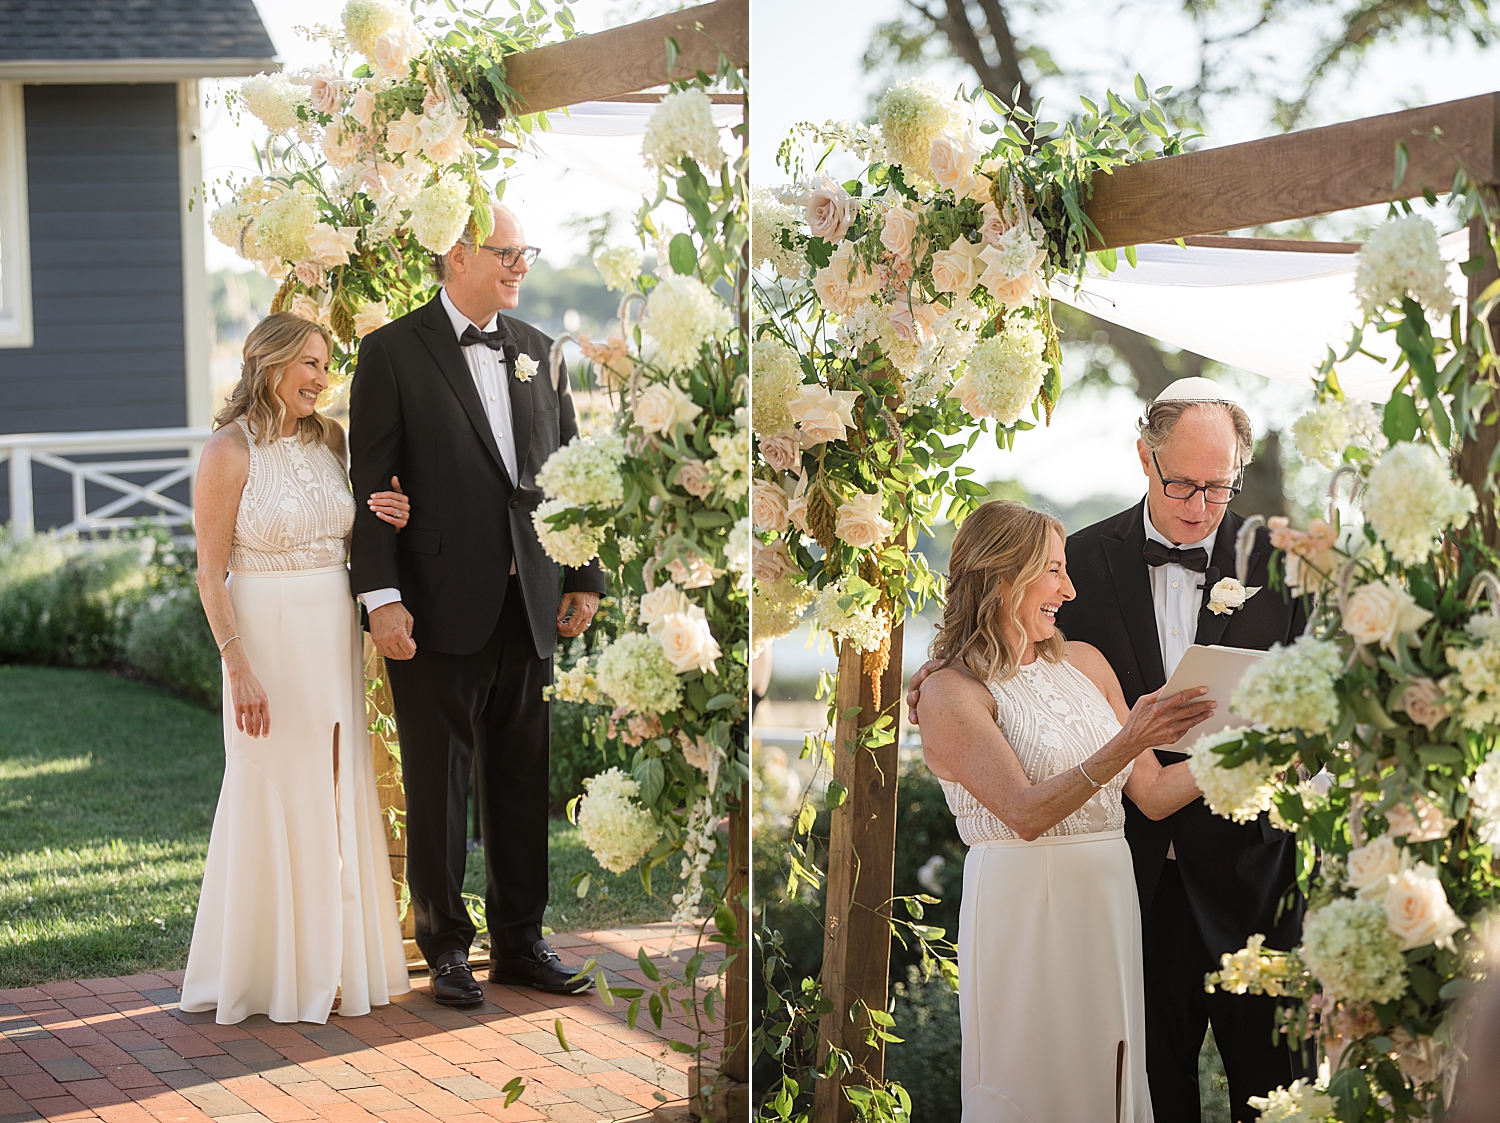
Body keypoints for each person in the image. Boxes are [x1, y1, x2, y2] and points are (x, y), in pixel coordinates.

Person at [910, 378, 1314, 1121]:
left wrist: (1276, 741)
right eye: (1184, 483)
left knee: (1276, 1092)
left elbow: (1315, 707)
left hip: (1248, 881)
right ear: (1144, 458)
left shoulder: (1283, 567)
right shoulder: (1086, 562)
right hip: (1124, 893)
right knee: (1130, 1090)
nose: (1199, 505)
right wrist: (944, 680)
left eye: (1218, 488)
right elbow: (1008, 689)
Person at [348, 204, 606, 1006]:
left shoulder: (541, 353)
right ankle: (446, 947)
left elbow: (572, 473)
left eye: (526, 251)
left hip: (529, 599)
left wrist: (584, 574)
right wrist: (382, 599)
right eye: (506, 251)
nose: (519, 264)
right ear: (457, 254)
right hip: (432, 606)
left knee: (523, 779)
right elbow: (374, 486)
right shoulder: (390, 352)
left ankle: (523, 942)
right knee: (439, 783)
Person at [917, 500, 1215, 1121]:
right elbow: (1024, 814)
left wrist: (1247, 754)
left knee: (1105, 1076)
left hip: (1106, 897)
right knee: (1032, 1078)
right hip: (1024, 903)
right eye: (1053, 571)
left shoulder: (1085, 664)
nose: (1069, 589)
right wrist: (1128, 740)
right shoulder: (950, 691)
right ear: (1002, 576)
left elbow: (1154, 795)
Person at [184, 312, 413, 1025]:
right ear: (271, 364)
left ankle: (335, 961)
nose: (321, 377)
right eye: (309, 363)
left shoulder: (333, 440)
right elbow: (210, 573)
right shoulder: (226, 451)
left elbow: (357, 524)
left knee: (336, 789)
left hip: (330, 633)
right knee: (272, 789)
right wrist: (237, 667)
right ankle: (270, 969)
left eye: (326, 363)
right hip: (265, 637)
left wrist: (392, 512)